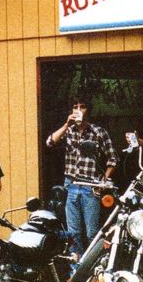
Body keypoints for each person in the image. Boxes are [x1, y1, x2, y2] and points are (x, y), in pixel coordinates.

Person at [46, 96, 118, 260]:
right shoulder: (69, 131)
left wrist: (104, 180)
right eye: (75, 107)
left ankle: (93, 269)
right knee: (73, 232)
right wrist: (66, 124)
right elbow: (50, 142)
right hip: (71, 183)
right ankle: (75, 270)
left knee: (92, 231)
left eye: (82, 106)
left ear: (88, 110)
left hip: (91, 185)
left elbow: (113, 159)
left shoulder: (98, 132)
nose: (78, 110)